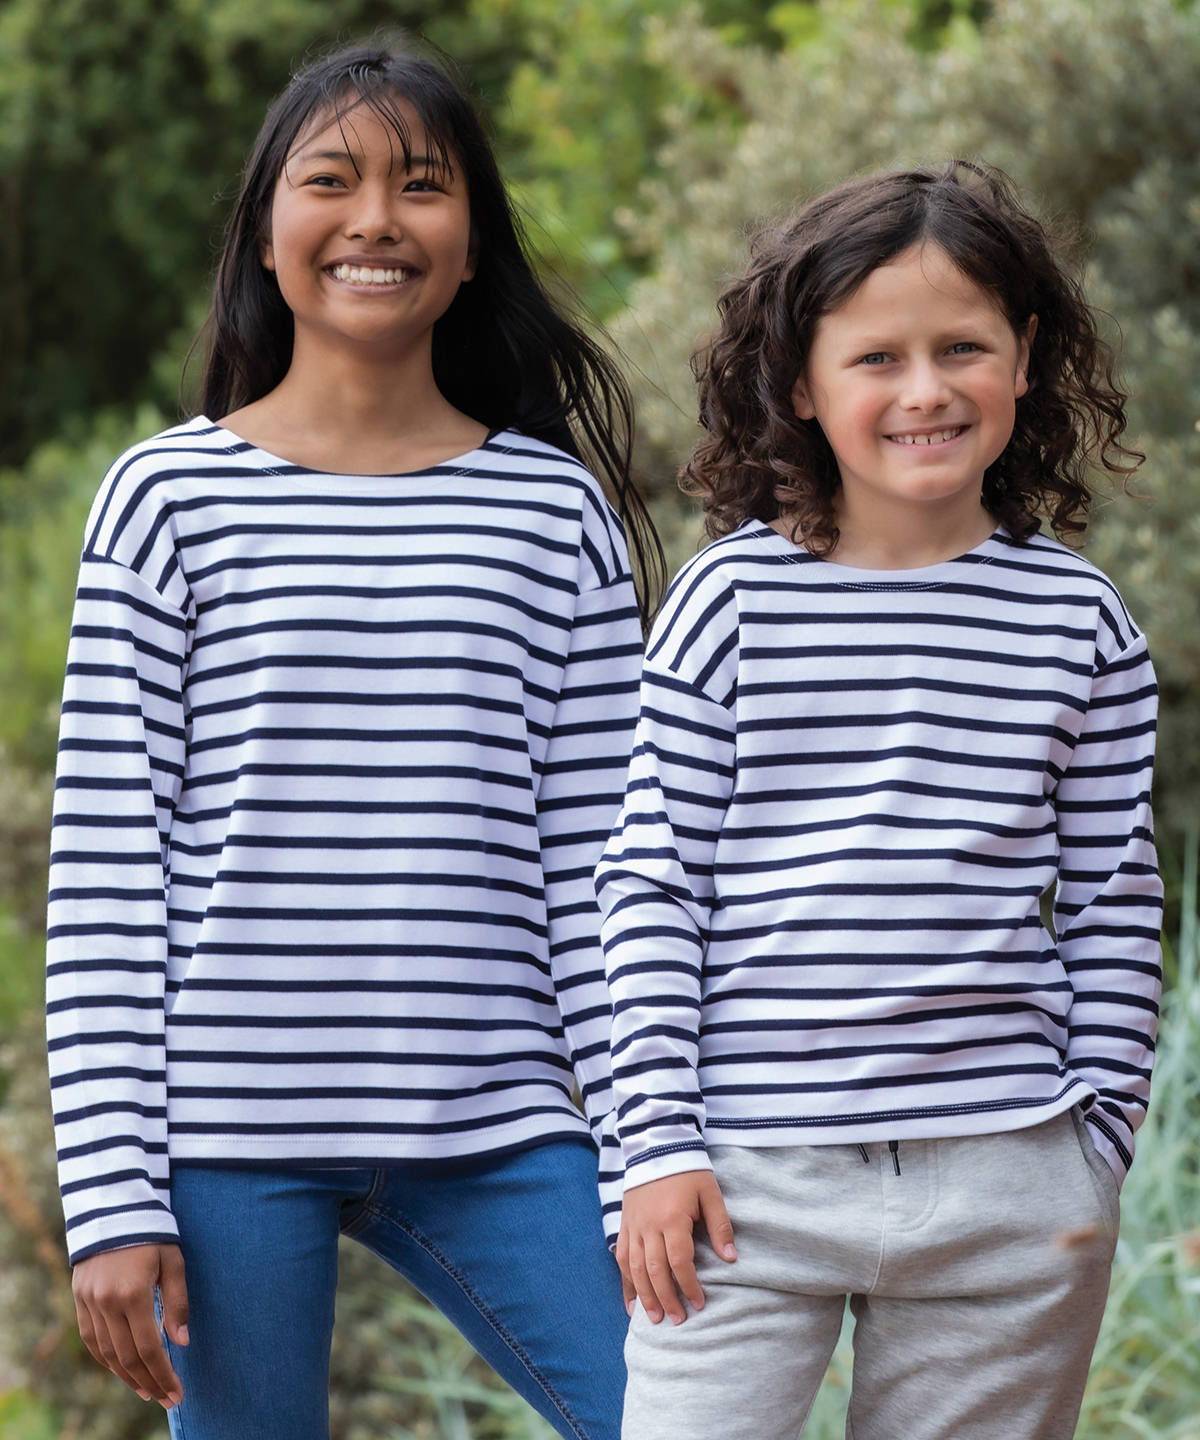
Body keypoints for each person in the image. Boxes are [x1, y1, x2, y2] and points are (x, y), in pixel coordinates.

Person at [46, 40, 664, 1440]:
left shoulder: (549, 516)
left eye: (423, 185)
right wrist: (111, 1197)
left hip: (502, 1129)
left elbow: (604, 879)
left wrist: (643, 1156)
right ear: (269, 235)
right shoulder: (166, 500)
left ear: (468, 250)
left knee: (685, 1416)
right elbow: (105, 877)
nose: (377, 215)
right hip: (224, 1144)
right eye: (332, 179)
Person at [595, 161, 1162, 1440]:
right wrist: (656, 1148)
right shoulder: (726, 605)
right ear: (800, 383)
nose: (925, 390)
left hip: (1009, 1193)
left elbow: (1117, 902)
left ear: (1024, 358)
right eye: (876, 358)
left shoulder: (1082, 624)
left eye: (962, 346)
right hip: (740, 1188)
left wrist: (1096, 1144)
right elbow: (649, 885)